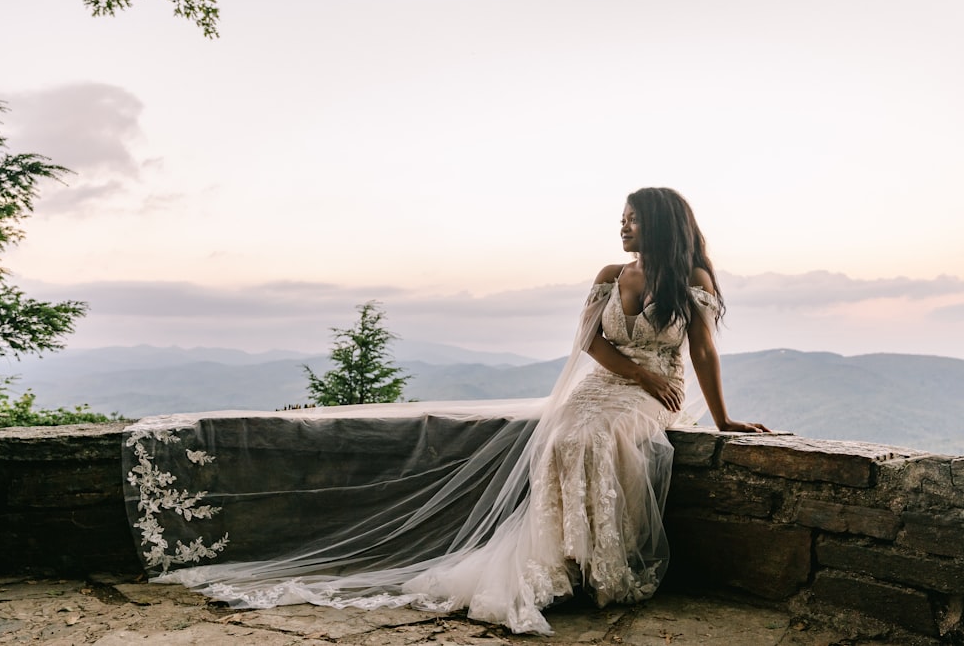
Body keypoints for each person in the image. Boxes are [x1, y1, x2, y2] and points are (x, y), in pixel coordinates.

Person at [123, 187, 767, 636]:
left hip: (655, 396)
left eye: (629, 218)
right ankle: (565, 561)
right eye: (619, 217)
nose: (619, 226)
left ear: (656, 223)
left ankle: (604, 564)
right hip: (606, 383)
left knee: (601, 441)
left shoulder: (694, 284)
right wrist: (630, 371)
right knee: (565, 434)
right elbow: (590, 342)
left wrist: (723, 419)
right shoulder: (610, 272)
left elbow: (705, 354)